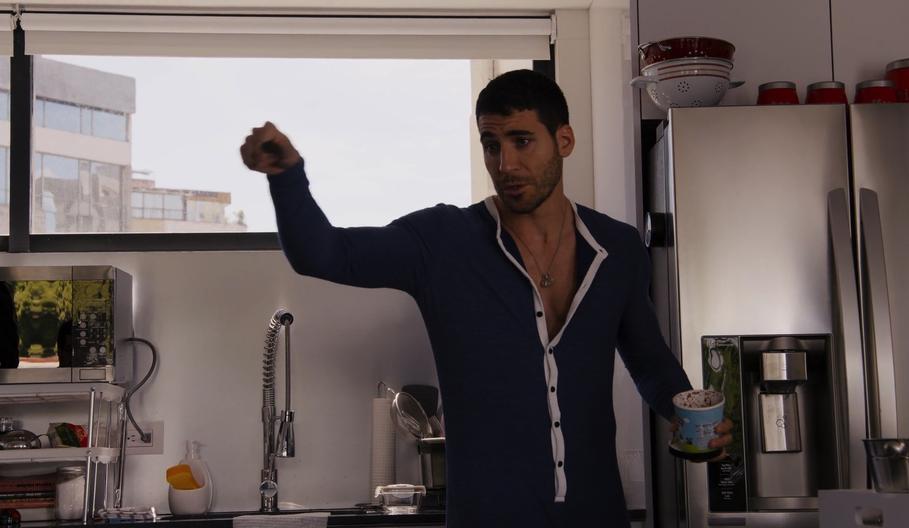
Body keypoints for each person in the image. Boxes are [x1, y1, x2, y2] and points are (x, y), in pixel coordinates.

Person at [241, 69, 731, 527]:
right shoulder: (442, 242)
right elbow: (325, 254)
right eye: (490, 145)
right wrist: (287, 177)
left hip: (596, 512)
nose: (506, 164)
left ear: (564, 140)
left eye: (521, 141)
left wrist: (687, 414)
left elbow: (648, 360)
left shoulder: (617, 248)